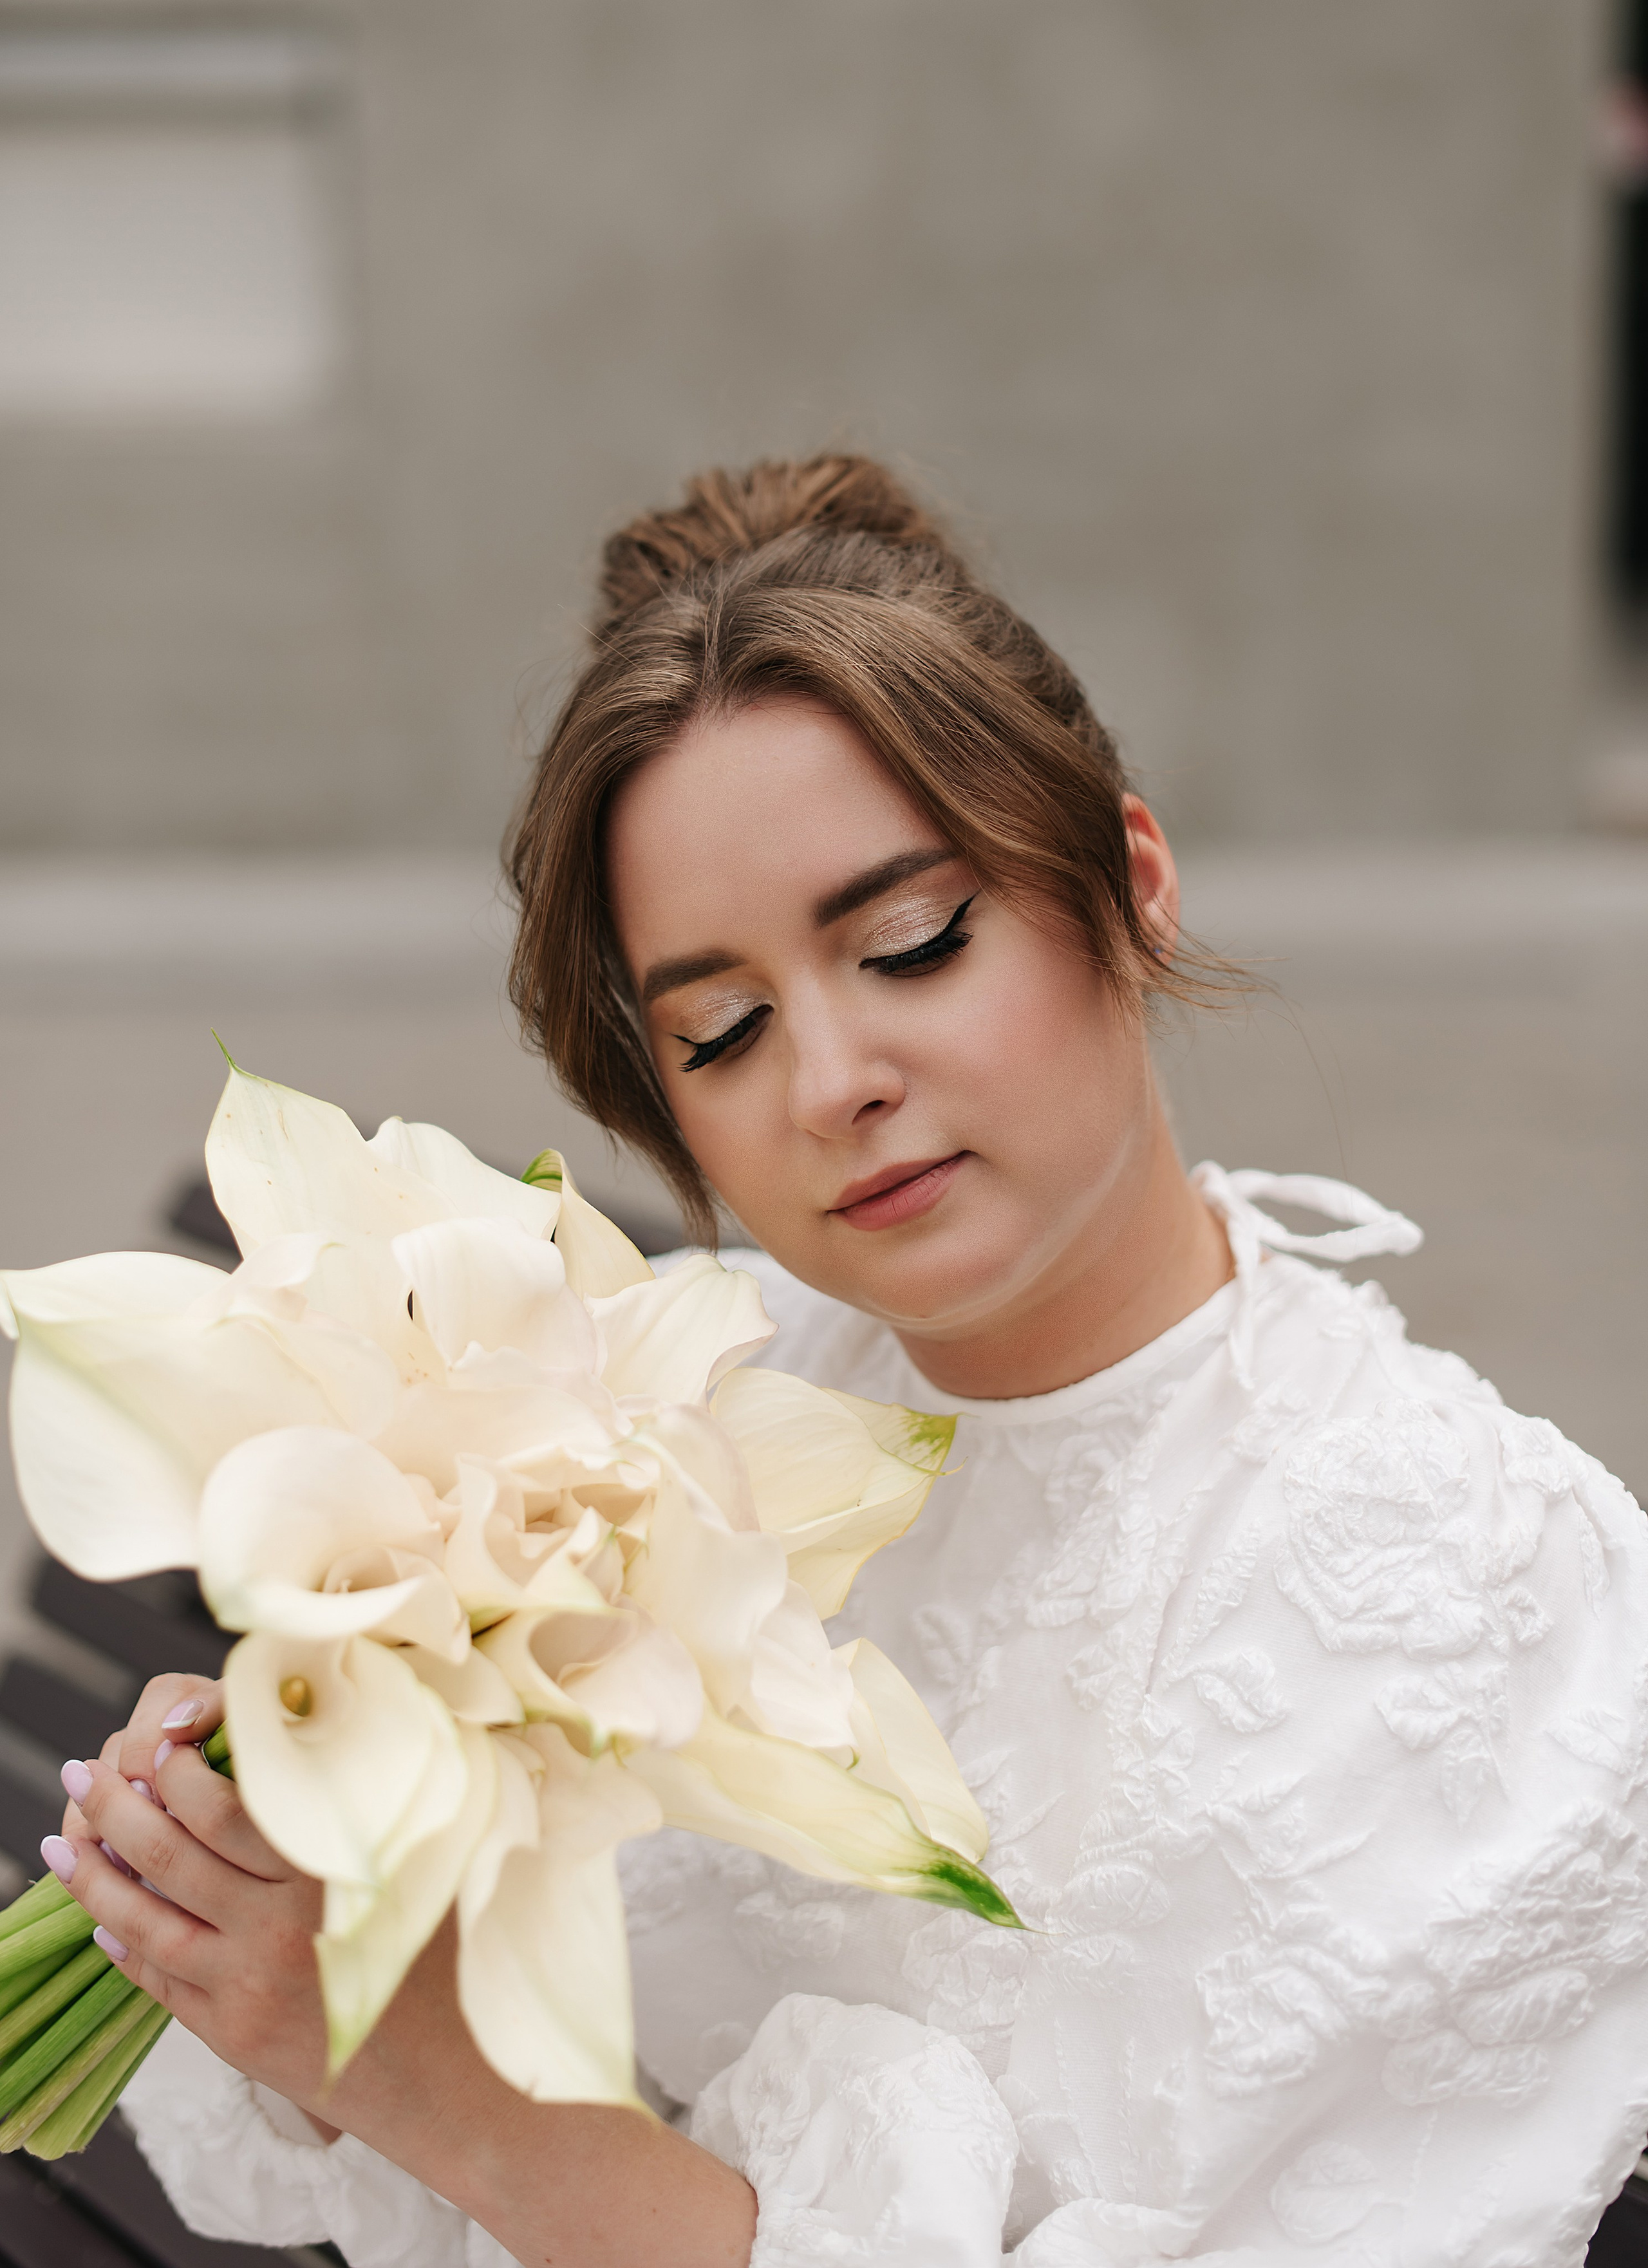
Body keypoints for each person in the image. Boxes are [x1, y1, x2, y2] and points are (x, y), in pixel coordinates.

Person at [44, 457, 1648, 2267]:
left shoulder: (1480, 1593)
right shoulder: (675, 1413)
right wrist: (284, 1882)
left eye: (912, 942)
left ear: (1129, 882)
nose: (830, 1083)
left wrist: (464, 2106)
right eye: (720, 1032)